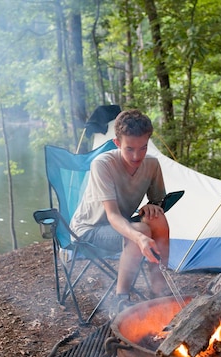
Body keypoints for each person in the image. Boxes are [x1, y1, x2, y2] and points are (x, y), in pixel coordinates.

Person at [69, 109, 170, 315]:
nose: (136, 156)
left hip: (120, 225)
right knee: (139, 232)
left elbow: (159, 201)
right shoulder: (103, 164)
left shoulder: (151, 164)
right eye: (129, 149)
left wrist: (154, 205)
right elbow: (112, 215)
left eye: (143, 148)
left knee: (157, 219)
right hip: (89, 228)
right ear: (117, 143)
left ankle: (159, 290)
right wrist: (139, 238)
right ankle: (120, 299)